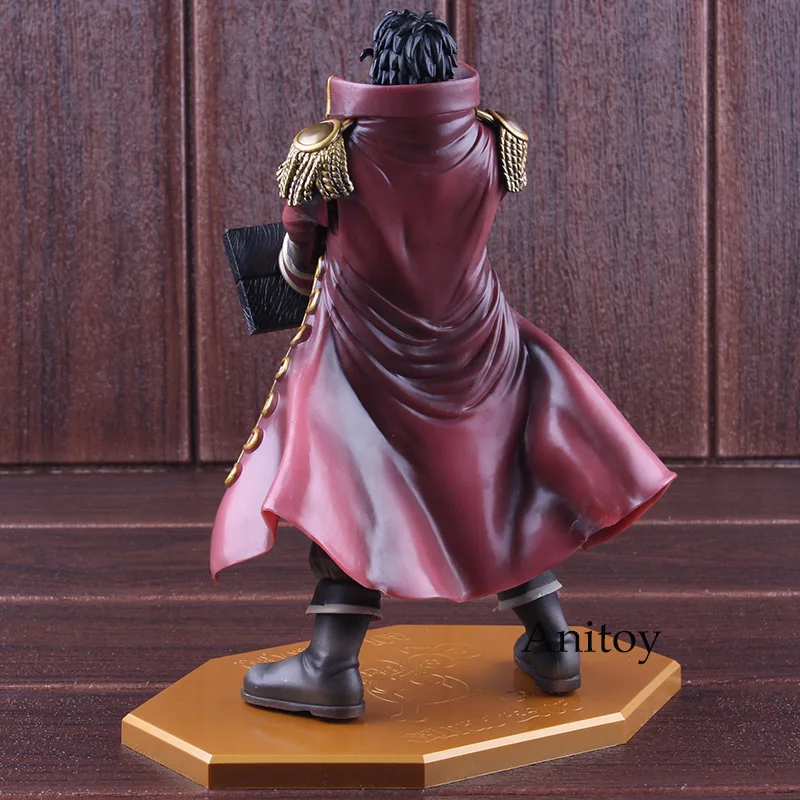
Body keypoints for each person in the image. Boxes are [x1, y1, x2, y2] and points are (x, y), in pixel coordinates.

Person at [210, 9, 676, 720]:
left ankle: (330, 665)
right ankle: (553, 645)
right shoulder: (491, 139)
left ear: (380, 65)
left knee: (350, 487)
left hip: (369, 352)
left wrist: (306, 261)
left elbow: (298, 267)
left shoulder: (330, 151)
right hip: (476, 346)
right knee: (503, 485)